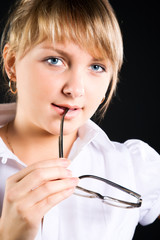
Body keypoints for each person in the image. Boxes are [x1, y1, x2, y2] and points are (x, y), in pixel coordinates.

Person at [0, 0, 159, 239]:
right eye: (55, 60)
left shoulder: (135, 167)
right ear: (12, 63)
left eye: (96, 66)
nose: (75, 89)